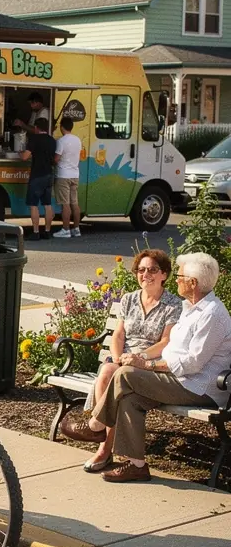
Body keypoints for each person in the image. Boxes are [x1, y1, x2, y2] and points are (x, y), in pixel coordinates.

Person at [62, 252, 231, 483]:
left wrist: (146, 364)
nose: (177, 280)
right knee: (130, 399)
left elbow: (192, 363)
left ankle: (95, 425)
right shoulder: (192, 308)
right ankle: (136, 465)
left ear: (193, 283)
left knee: (124, 375)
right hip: (180, 379)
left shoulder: (212, 314)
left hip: (199, 387)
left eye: (180, 276)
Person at [61, 249, 181, 471]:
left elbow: (166, 342)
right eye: (141, 270)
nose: (146, 274)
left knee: (112, 374)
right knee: (108, 370)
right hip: (122, 359)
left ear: (164, 274)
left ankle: (101, 444)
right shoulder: (129, 299)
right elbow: (118, 334)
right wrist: (117, 357)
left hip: (149, 363)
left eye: (152, 270)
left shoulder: (173, 305)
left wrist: (139, 357)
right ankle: (103, 445)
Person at [20, 116, 56, 240]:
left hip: (37, 175)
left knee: (33, 204)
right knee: (47, 204)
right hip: (49, 174)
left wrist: (20, 152)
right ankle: (47, 231)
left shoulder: (34, 139)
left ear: (36, 128)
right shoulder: (52, 140)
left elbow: (25, 157)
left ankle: (35, 232)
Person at [54, 116, 82, 239]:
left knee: (65, 204)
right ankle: (76, 229)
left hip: (63, 175)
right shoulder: (78, 140)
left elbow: (56, 159)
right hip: (75, 174)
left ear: (61, 127)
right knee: (74, 203)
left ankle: (65, 229)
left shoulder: (61, 141)